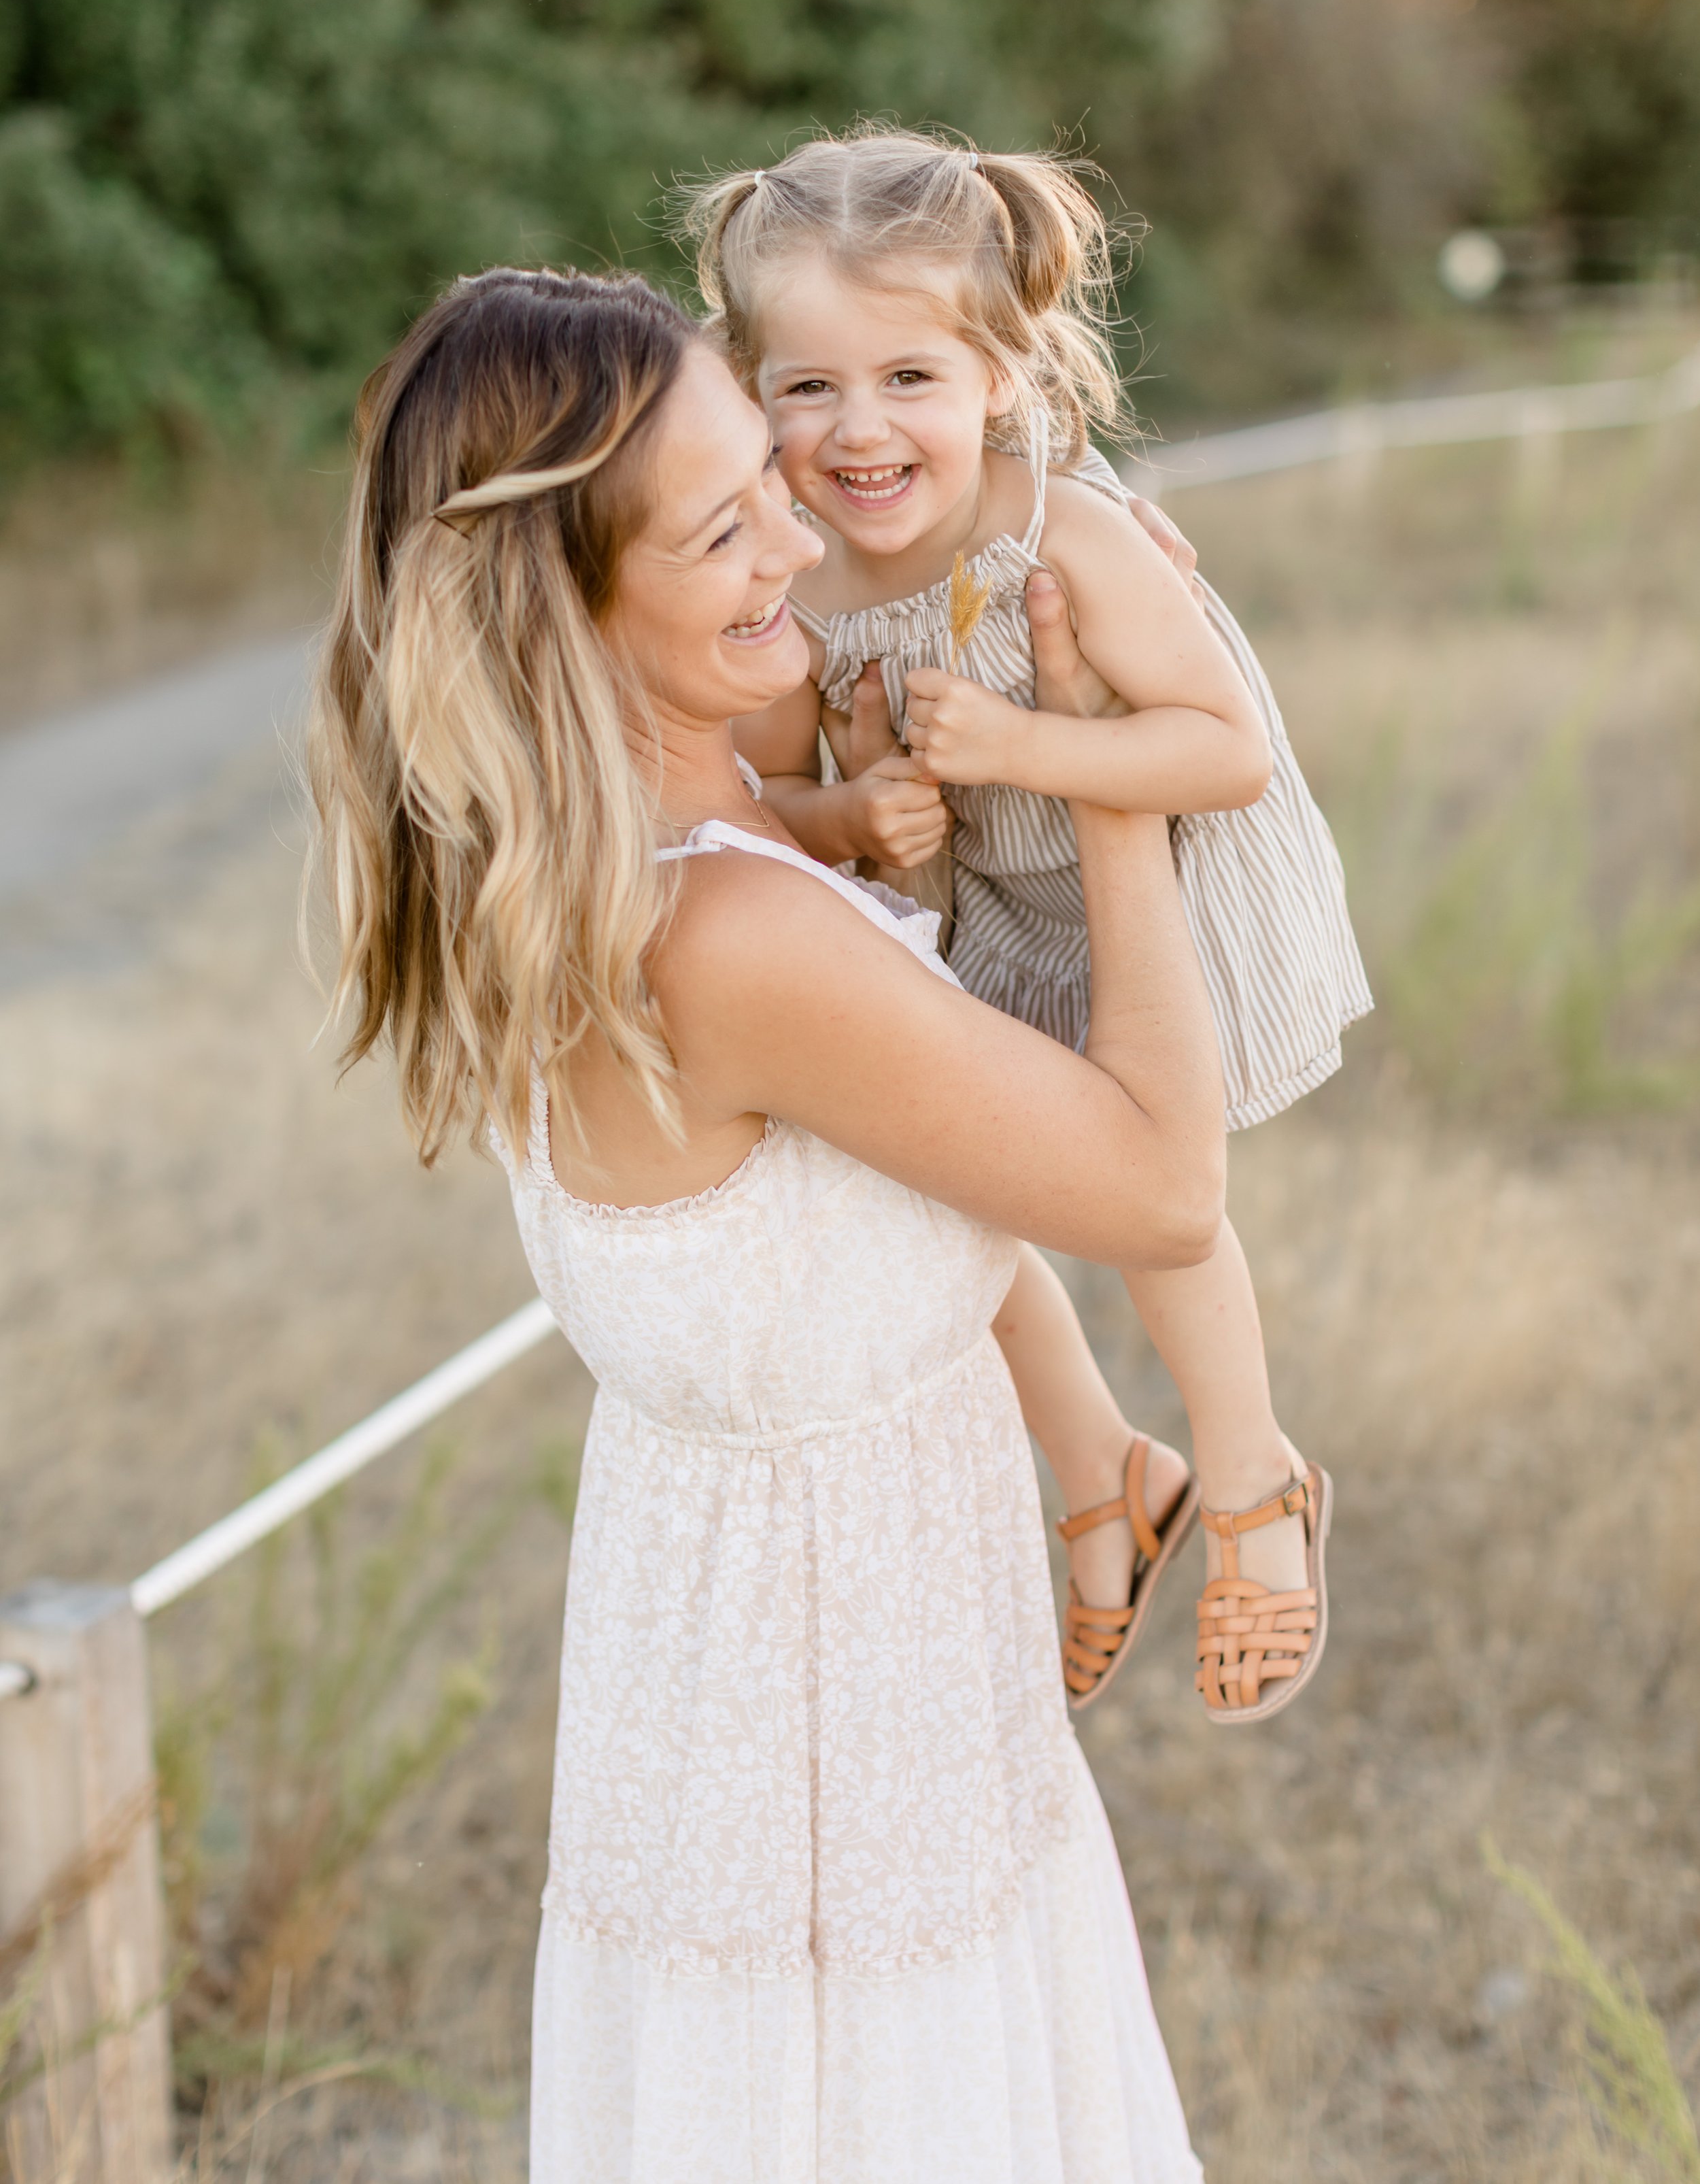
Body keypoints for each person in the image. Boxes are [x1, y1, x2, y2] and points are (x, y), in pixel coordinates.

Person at [309, 263, 1231, 2181]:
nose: (794, 544)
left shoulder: (571, 863)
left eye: (774, 489)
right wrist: (1098, 761)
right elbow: (1159, 1178)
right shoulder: (725, 938)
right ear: (566, 601)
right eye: (723, 526)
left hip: (759, 1647)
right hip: (829, 1719)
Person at [684, 127, 1362, 1719]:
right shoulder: (793, 572)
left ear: (999, 372)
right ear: (745, 391)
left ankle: (1255, 1483)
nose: (858, 431)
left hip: (1154, 904)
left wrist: (1021, 749)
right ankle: (1098, 1472)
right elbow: (765, 794)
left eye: (909, 376)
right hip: (978, 907)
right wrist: (851, 821)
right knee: (936, 1184)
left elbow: (1223, 749)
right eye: (806, 388)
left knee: (1156, 1213)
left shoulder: (1068, 537)